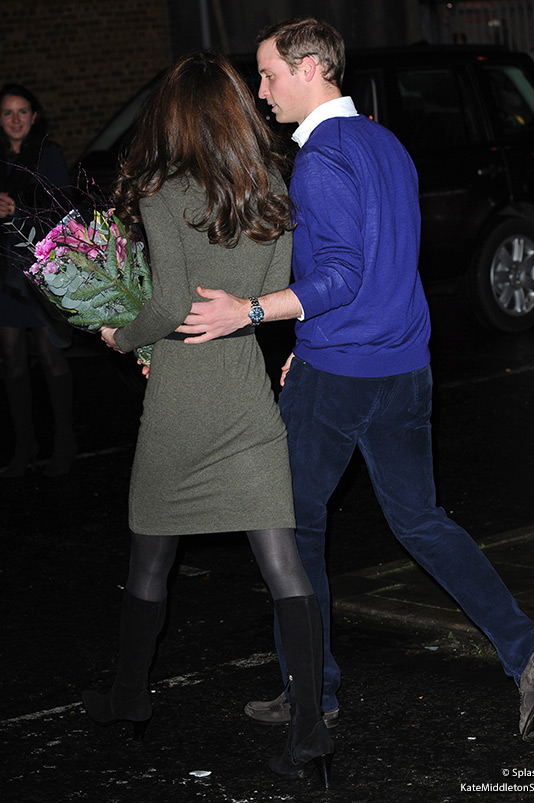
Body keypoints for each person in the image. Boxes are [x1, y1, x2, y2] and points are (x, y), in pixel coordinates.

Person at [175, 17, 534, 743]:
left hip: (343, 375)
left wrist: (251, 311)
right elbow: (388, 267)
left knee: (292, 531)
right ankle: (528, 649)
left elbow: (341, 275)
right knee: (421, 519)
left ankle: (310, 694)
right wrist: (309, 338)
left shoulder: (321, 160)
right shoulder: (388, 144)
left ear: (314, 67)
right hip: (406, 367)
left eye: (269, 74)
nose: (261, 92)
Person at [82, 51, 333, 789]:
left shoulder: (163, 193)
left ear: (174, 116)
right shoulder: (270, 190)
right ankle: (311, 724)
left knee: (150, 557)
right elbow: (282, 284)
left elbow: (165, 305)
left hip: (184, 393)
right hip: (246, 388)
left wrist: (122, 336)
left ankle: (130, 699)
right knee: (283, 564)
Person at [0, 83, 76, 477]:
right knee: (12, 362)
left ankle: (64, 444)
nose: (15, 120)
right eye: (7, 113)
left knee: (49, 356)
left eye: (22, 112)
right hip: (4, 274)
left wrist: (20, 206)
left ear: (34, 116)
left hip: (39, 270)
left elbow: (63, 204)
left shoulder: (47, 154)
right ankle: (23, 447)